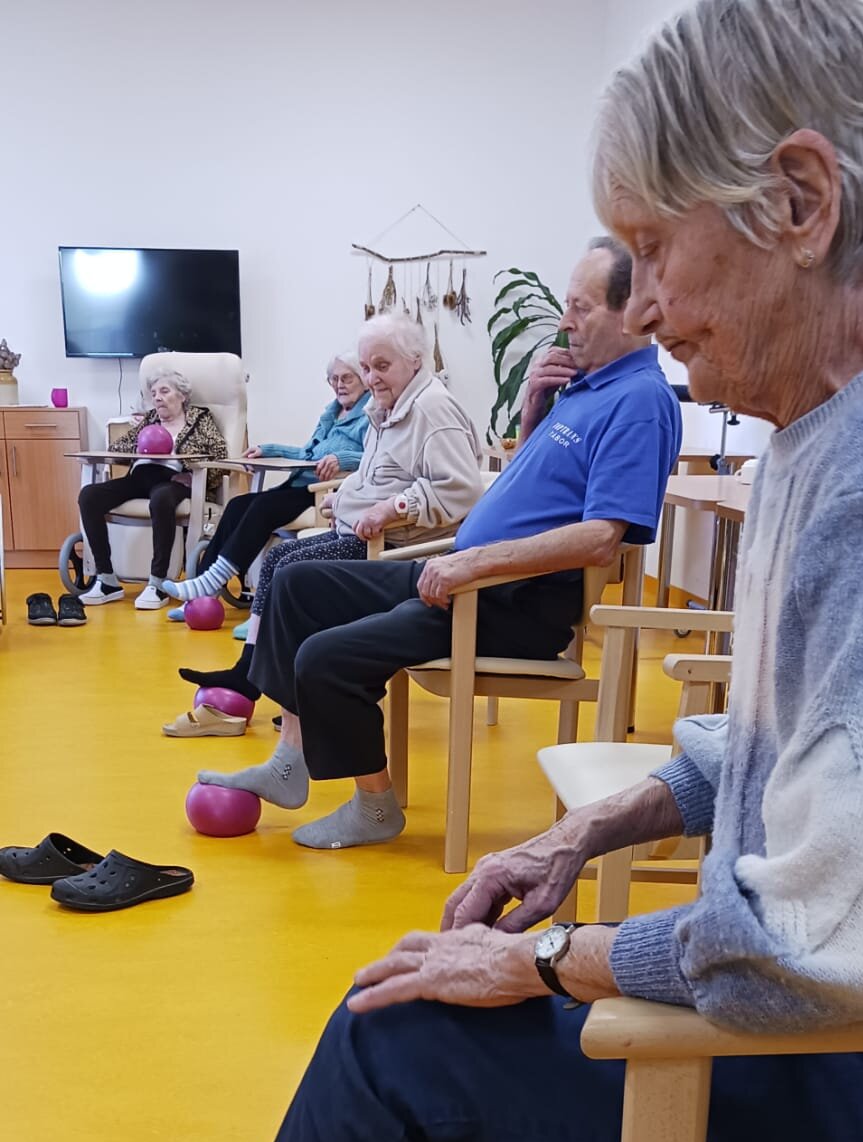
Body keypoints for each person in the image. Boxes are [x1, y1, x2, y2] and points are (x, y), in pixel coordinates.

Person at [41, 0, 863, 1142]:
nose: (643, 304)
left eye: (653, 251)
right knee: (419, 962)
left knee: (402, 1025)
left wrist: (554, 960)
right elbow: (777, 738)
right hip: (838, 1030)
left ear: (799, 202)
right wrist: (592, 825)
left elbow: (810, 946)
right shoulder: (830, 431)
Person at [191, 240, 682, 848]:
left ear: (636, 311)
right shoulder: (586, 387)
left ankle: (376, 808)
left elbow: (600, 538)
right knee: (294, 584)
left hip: (507, 602)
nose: (564, 322)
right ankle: (289, 763)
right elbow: (534, 489)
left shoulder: (640, 402)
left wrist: (469, 562)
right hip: (466, 576)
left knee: (324, 657)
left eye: (581, 308)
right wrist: (533, 408)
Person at [175, 312, 485, 711]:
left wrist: (392, 507)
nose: (372, 378)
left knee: (293, 574)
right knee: (278, 559)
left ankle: (289, 696)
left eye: (382, 366)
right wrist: (341, 499)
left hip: (397, 549)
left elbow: (460, 488)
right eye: (367, 367)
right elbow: (372, 474)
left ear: (415, 360)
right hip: (365, 535)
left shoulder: (431, 409)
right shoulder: (389, 407)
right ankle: (249, 672)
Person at [163, 353, 370, 606]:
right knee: (237, 505)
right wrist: (267, 449)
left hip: (324, 492)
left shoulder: (369, 414)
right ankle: (202, 591)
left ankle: (208, 585)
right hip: (300, 486)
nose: (339, 385)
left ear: (363, 379)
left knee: (262, 507)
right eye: (334, 379)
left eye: (347, 378)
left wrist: (343, 459)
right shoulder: (332, 413)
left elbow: (377, 456)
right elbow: (307, 455)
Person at [78, 370, 228, 611]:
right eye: (154, 393)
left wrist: (193, 476)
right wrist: (138, 438)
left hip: (173, 480)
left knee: (161, 498)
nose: (157, 397)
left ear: (182, 396)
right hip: (139, 477)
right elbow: (117, 448)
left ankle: (158, 583)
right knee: (89, 496)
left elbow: (220, 455)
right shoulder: (149, 420)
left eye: (164, 391)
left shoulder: (199, 420)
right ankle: (106, 580)